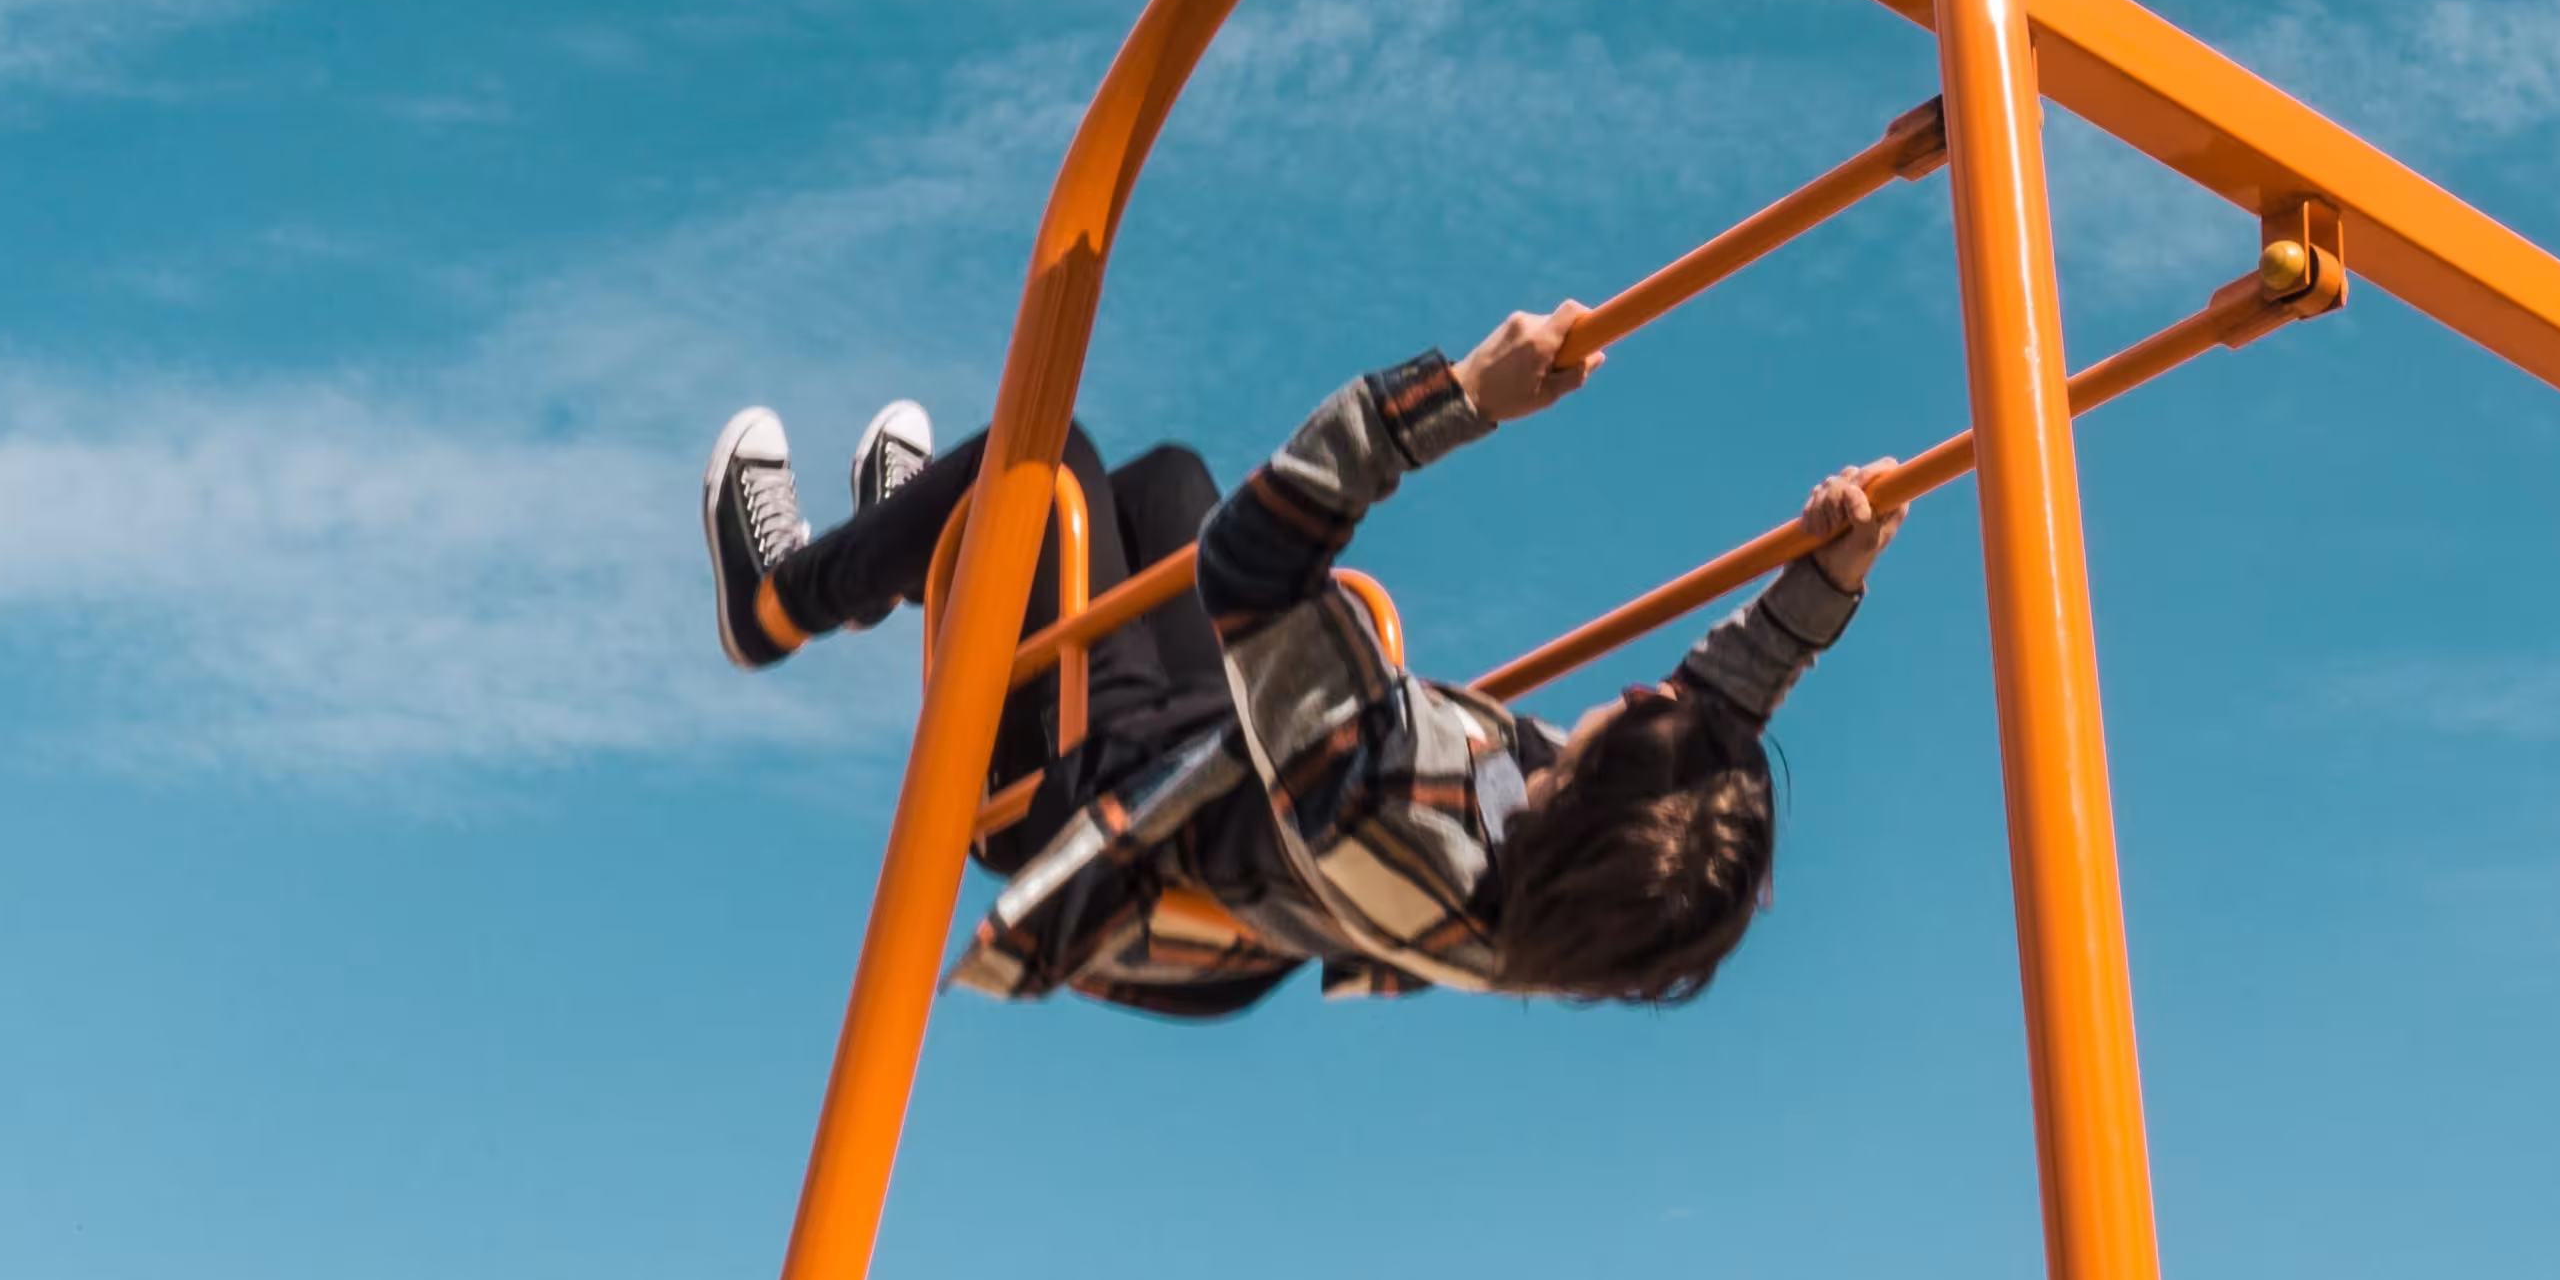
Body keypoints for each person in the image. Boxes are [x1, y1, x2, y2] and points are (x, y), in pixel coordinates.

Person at [700, 305, 1903, 1014]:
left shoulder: (1389, 798)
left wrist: (1462, 397)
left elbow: (1258, 559)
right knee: (1164, 478)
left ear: (1580, 801)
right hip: (1220, 803)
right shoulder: (1569, 886)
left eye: (1643, 723)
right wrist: (1831, 574)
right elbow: (1706, 721)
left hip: (1096, 818)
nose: (1649, 691)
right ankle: (914, 548)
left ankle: (777, 602)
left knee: (1042, 464)